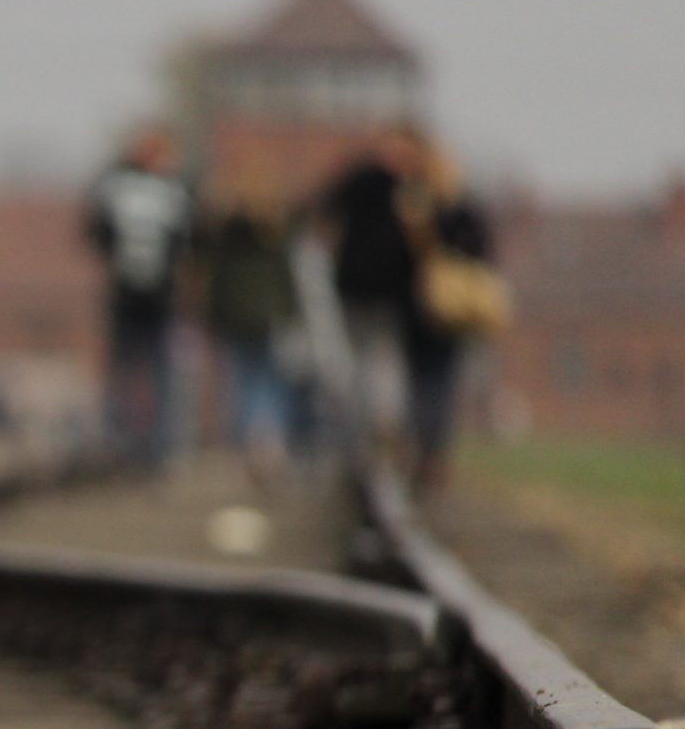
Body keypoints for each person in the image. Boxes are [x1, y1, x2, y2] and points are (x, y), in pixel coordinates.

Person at [83, 128, 193, 464]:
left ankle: (124, 440)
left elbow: (96, 231)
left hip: (132, 294)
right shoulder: (174, 191)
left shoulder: (114, 187)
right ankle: (146, 445)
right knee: (150, 371)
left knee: (130, 370)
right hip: (151, 296)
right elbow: (188, 237)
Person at [318, 124, 427, 455]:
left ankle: (372, 429)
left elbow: (323, 208)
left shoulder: (367, 180)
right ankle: (375, 427)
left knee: (371, 362)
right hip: (377, 293)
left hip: (372, 291)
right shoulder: (409, 188)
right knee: (377, 361)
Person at [400, 146, 500, 497]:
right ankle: (431, 451)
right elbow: (485, 252)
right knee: (434, 384)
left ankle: (430, 451)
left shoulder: (424, 212)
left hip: (437, 312)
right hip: (436, 314)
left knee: (428, 384)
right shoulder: (449, 213)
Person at [198, 167, 302, 484]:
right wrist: (292, 311)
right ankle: (270, 444)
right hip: (271, 316)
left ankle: (248, 445)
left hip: (237, 316)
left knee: (244, 380)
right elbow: (288, 277)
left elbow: (216, 276)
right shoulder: (278, 230)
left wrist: (212, 315)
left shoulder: (227, 231)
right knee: (272, 379)